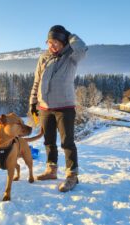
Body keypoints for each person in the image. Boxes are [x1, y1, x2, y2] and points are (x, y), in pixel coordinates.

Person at [29, 25, 87, 192]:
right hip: (45, 107)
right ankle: (51, 170)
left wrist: (71, 36)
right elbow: (36, 82)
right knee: (48, 141)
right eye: (49, 42)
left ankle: (72, 176)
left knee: (67, 142)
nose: (52, 45)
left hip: (65, 107)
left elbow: (82, 49)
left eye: (56, 42)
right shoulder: (44, 57)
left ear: (63, 42)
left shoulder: (71, 57)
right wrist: (33, 103)